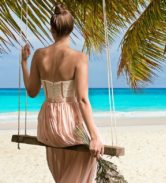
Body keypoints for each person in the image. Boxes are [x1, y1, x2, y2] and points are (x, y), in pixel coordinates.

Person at [20, 4, 104, 183]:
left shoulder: (39, 55)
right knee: (89, 157)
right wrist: (95, 136)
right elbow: (82, 99)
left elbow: (32, 92)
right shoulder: (79, 58)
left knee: (66, 168)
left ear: (51, 28)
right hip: (68, 125)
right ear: (72, 29)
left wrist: (23, 63)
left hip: (47, 126)